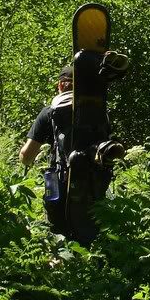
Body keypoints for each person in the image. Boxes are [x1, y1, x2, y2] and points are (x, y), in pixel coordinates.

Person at [20, 63, 125, 241]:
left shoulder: (50, 112)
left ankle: (59, 260)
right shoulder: (100, 112)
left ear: (60, 85)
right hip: (93, 181)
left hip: (58, 183)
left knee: (57, 235)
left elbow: (27, 157)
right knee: (91, 230)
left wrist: (23, 156)